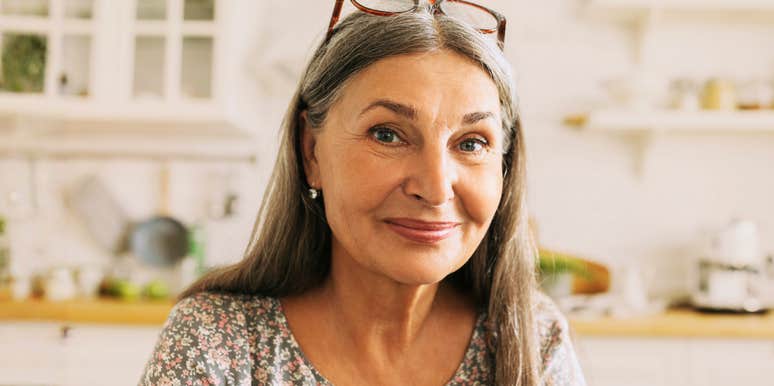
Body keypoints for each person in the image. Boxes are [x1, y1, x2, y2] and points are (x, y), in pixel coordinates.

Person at [140, 1, 586, 385]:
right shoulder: (217, 342)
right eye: (387, 134)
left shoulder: (532, 340)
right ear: (311, 152)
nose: (435, 189)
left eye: (471, 143)